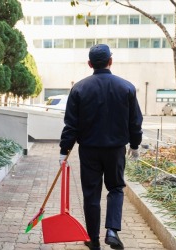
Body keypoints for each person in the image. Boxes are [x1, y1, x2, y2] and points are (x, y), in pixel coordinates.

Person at [59, 44, 143, 250]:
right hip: (115, 150)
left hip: (88, 150)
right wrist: (135, 145)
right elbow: (135, 121)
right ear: (110, 61)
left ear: (90, 64)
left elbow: (71, 125)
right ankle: (112, 230)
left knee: (91, 193)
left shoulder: (79, 88)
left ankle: (93, 239)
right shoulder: (127, 88)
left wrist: (64, 150)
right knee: (115, 188)